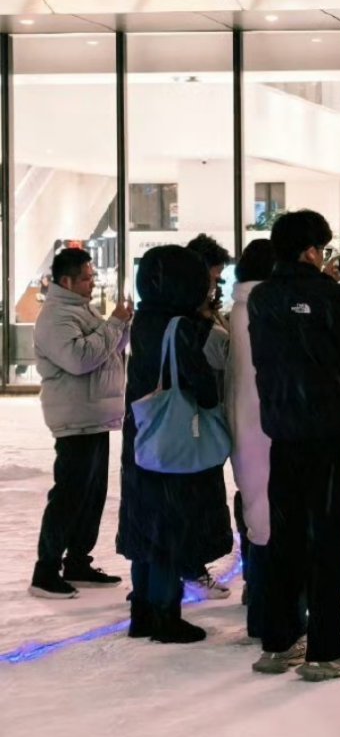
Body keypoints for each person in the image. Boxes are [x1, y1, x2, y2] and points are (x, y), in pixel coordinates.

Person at [248, 211, 340, 680]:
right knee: (328, 540)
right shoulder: (329, 297)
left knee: (286, 539)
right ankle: (326, 648)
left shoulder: (263, 298)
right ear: (311, 252)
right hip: (328, 435)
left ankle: (279, 641)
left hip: (283, 433)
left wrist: (322, 292)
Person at [117, 246, 233, 644]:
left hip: (143, 433)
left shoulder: (145, 319)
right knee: (170, 527)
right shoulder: (180, 326)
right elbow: (201, 387)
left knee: (145, 526)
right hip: (175, 438)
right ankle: (167, 615)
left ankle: (142, 613)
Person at [29, 248, 132, 598]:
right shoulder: (56, 316)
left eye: (92, 276)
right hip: (75, 419)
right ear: (67, 281)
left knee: (91, 496)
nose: (92, 283)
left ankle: (77, 562)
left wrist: (121, 326)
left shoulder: (81, 309)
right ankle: (45, 571)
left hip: (95, 416)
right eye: (87, 278)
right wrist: (114, 324)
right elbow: (79, 359)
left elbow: (106, 349)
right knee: (70, 495)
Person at [224, 238, 291, 640]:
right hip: (266, 425)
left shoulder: (239, 307)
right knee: (270, 522)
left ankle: (261, 607)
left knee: (257, 516)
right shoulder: (265, 309)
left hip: (246, 425)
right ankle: (271, 618)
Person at [183, 233, 233, 599]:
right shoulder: (189, 318)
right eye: (215, 276)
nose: (218, 283)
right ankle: (191, 566)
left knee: (202, 492)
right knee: (195, 493)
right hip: (194, 418)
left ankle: (192, 564)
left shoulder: (202, 311)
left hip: (201, 417)